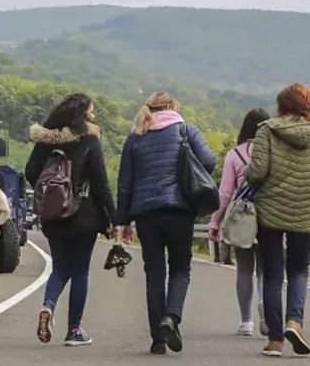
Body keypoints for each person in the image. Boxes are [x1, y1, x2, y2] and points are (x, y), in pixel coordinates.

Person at [117, 92, 216, 355]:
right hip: (179, 211)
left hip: (146, 214)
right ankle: (170, 318)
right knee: (181, 268)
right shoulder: (187, 131)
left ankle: (157, 340)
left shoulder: (136, 136)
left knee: (154, 273)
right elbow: (209, 161)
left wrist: (123, 221)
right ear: (172, 107)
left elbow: (125, 183)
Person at [25, 93, 116, 347]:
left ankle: (48, 306)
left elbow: (31, 172)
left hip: (54, 217)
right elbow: (100, 184)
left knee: (60, 268)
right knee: (80, 271)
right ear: (82, 114)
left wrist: (51, 196)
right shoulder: (89, 139)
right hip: (84, 216)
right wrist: (113, 215)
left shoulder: (45, 141)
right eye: (91, 111)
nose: (94, 115)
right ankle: (74, 330)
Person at [246, 83, 310, 357]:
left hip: (269, 212)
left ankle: (274, 340)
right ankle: (294, 321)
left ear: (281, 105)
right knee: (298, 270)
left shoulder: (267, 130)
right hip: (305, 212)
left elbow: (257, 172)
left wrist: (249, 175)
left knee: (272, 273)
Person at [208, 108, 270, 336]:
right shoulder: (274, 151)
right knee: (267, 269)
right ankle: (267, 306)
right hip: (269, 215)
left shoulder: (235, 154)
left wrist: (215, 222)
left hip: (242, 218)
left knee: (244, 269)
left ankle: (246, 322)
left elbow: (224, 193)